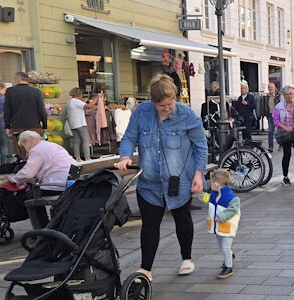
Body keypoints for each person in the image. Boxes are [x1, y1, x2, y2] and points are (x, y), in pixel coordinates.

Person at [115, 74, 208, 281]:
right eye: (161, 106)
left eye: (169, 103)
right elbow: (130, 137)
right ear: (152, 101)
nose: (166, 108)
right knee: (149, 224)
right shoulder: (141, 112)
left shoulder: (187, 115)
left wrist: (198, 175)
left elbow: (201, 146)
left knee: (182, 218)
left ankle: (187, 258)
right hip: (149, 181)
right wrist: (125, 156)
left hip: (180, 178)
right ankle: (145, 269)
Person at [10, 130, 76, 229]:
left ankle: (42, 228)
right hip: (70, 182)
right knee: (35, 191)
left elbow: (28, 173)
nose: (25, 149)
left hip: (58, 185)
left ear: (28, 141)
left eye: (23, 146)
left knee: (31, 196)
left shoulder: (36, 150)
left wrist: (14, 179)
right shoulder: (52, 145)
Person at [205, 169, 241, 279]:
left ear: (215, 183)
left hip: (227, 229)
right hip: (218, 228)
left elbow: (233, 210)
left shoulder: (232, 198)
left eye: (211, 182)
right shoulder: (214, 195)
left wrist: (221, 217)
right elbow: (204, 198)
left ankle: (228, 267)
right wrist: (196, 195)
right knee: (221, 246)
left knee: (225, 248)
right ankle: (230, 256)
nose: (210, 184)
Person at [4, 72, 47, 158]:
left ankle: (24, 164)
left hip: (17, 125)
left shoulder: (10, 91)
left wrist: (7, 126)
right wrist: (44, 125)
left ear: (18, 79)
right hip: (34, 125)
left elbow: (7, 110)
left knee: (21, 148)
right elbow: (41, 110)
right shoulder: (36, 92)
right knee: (35, 148)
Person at [273, 86, 294, 186]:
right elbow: (275, 120)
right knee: (286, 155)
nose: (289, 96)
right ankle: (285, 177)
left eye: (290, 93)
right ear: (283, 95)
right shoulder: (278, 107)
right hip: (285, 133)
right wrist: (284, 127)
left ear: (293, 94)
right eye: (286, 94)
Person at [67, 88, 96, 161]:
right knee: (86, 140)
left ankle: (77, 157)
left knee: (77, 141)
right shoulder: (76, 101)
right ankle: (87, 157)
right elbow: (89, 106)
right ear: (79, 94)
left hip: (73, 124)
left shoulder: (70, 101)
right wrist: (97, 98)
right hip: (80, 123)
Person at [266, 83, 281, 152]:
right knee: (270, 131)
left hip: (278, 116)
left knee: (279, 131)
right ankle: (270, 147)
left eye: (271, 87)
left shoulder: (279, 95)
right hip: (270, 115)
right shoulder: (267, 96)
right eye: (269, 87)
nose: (270, 89)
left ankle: (281, 145)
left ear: (275, 88)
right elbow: (265, 106)